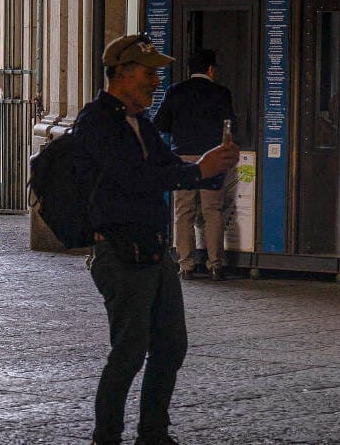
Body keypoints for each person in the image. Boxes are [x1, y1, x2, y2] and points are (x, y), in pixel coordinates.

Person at [75, 35, 239, 444]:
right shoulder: (97, 121)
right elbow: (133, 178)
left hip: (153, 250)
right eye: (148, 73)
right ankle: (107, 435)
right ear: (121, 73)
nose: (154, 82)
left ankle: (153, 433)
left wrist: (210, 166)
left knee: (170, 346)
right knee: (129, 352)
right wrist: (197, 172)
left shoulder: (140, 124)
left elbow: (168, 167)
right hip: (120, 252)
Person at [152, 49, 237, 281]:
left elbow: (160, 123)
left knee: (183, 211)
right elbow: (230, 126)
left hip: (182, 158)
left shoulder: (175, 91)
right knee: (213, 211)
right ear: (211, 69)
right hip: (213, 158)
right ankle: (215, 264)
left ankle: (186, 264)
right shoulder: (221, 93)